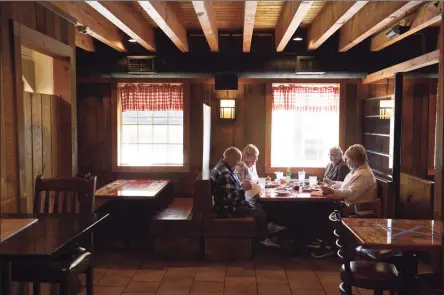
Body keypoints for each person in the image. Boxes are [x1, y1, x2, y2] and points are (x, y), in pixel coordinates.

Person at [308, 144, 377, 258]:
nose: (346, 161)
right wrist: (333, 183)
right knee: (318, 207)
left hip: (356, 210)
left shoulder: (363, 174)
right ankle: (323, 242)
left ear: (354, 159)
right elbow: (346, 186)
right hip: (349, 206)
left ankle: (328, 246)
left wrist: (332, 191)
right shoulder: (357, 170)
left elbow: (351, 194)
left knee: (321, 210)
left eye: (347, 159)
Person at [211, 147, 279, 247]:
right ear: (229, 157)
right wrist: (244, 189)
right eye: (236, 160)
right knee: (261, 212)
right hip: (228, 209)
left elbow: (232, 189)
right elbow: (230, 197)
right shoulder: (224, 172)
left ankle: (264, 233)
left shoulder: (223, 166)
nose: (238, 163)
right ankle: (263, 240)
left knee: (259, 207)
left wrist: (242, 187)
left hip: (228, 205)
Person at [235, 144, 286, 234]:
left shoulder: (252, 165)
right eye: (254, 156)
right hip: (246, 197)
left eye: (257, 156)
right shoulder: (242, 167)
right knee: (265, 207)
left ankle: (269, 228)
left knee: (271, 205)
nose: (256, 159)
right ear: (246, 155)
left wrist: (264, 180)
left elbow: (255, 181)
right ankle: (264, 235)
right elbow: (248, 185)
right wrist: (261, 188)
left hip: (254, 194)